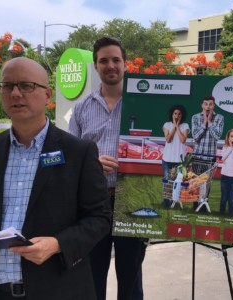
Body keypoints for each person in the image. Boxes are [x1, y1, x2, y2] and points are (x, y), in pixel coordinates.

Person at [0, 57, 111, 300]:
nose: (16, 93)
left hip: (57, 288)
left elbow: (100, 217)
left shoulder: (78, 152)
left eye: (26, 86)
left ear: (48, 95)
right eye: (7, 86)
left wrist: (58, 243)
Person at [68, 37, 145, 300]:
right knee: (91, 278)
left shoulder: (144, 105)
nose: (110, 65)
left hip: (132, 202)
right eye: (104, 61)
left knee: (131, 279)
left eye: (115, 60)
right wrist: (92, 165)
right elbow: (70, 160)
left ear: (125, 64)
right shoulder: (82, 109)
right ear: (95, 65)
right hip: (94, 204)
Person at [191, 95, 224, 211]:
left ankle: (204, 206)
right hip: (197, 156)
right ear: (202, 105)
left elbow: (217, 136)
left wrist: (209, 122)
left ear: (214, 105)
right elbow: (195, 137)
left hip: (210, 158)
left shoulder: (219, 118)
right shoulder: (195, 117)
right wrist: (204, 123)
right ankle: (195, 207)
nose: (208, 106)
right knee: (196, 183)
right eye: (206, 104)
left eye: (210, 104)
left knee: (207, 184)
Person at [162, 104, 189, 207]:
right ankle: (166, 204)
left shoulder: (185, 126)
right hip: (167, 159)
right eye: (175, 113)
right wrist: (174, 126)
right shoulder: (166, 125)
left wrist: (177, 126)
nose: (177, 115)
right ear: (172, 114)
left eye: (179, 114)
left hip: (180, 161)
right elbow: (168, 139)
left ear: (182, 115)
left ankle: (175, 202)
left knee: (177, 183)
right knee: (167, 182)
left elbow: (183, 140)